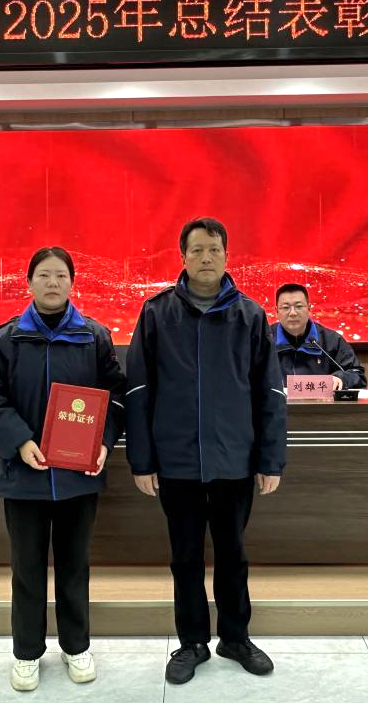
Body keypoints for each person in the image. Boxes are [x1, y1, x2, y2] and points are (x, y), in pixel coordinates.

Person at [125, 217, 287, 685]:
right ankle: (192, 642)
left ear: (227, 255)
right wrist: (142, 460)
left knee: (233, 555)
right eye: (196, 250)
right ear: (182, 257)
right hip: (176, 461)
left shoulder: (250, 316)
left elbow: (270, 394)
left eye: (214, 249)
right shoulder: (157, 313)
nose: (206, 257)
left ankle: (235, 637)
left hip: (235, 459)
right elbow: (138, 391)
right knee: (186, 557)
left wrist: (270, 459)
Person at [0, 247, 125, 692]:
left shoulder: (93, 336)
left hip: (79, 477)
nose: (53, 282)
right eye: (44, 275)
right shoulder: (7, 339)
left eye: (60, 275)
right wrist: (20, 441)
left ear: (72, 283)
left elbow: (115, 397)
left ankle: (76, 646)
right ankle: (26, 653)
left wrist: (103, 442)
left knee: (76, 566)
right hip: (24, 476)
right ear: (29, 282)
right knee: (27, 569)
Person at [271, 282, 366, 390]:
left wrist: (341, 379)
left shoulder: (331, 340)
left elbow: (357, 374)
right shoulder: (265, 340)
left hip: (321, 401)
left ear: (309, 308)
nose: (293, 313)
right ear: (276, 311)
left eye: (299, 306)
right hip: (276, 400)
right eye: (285, 307)